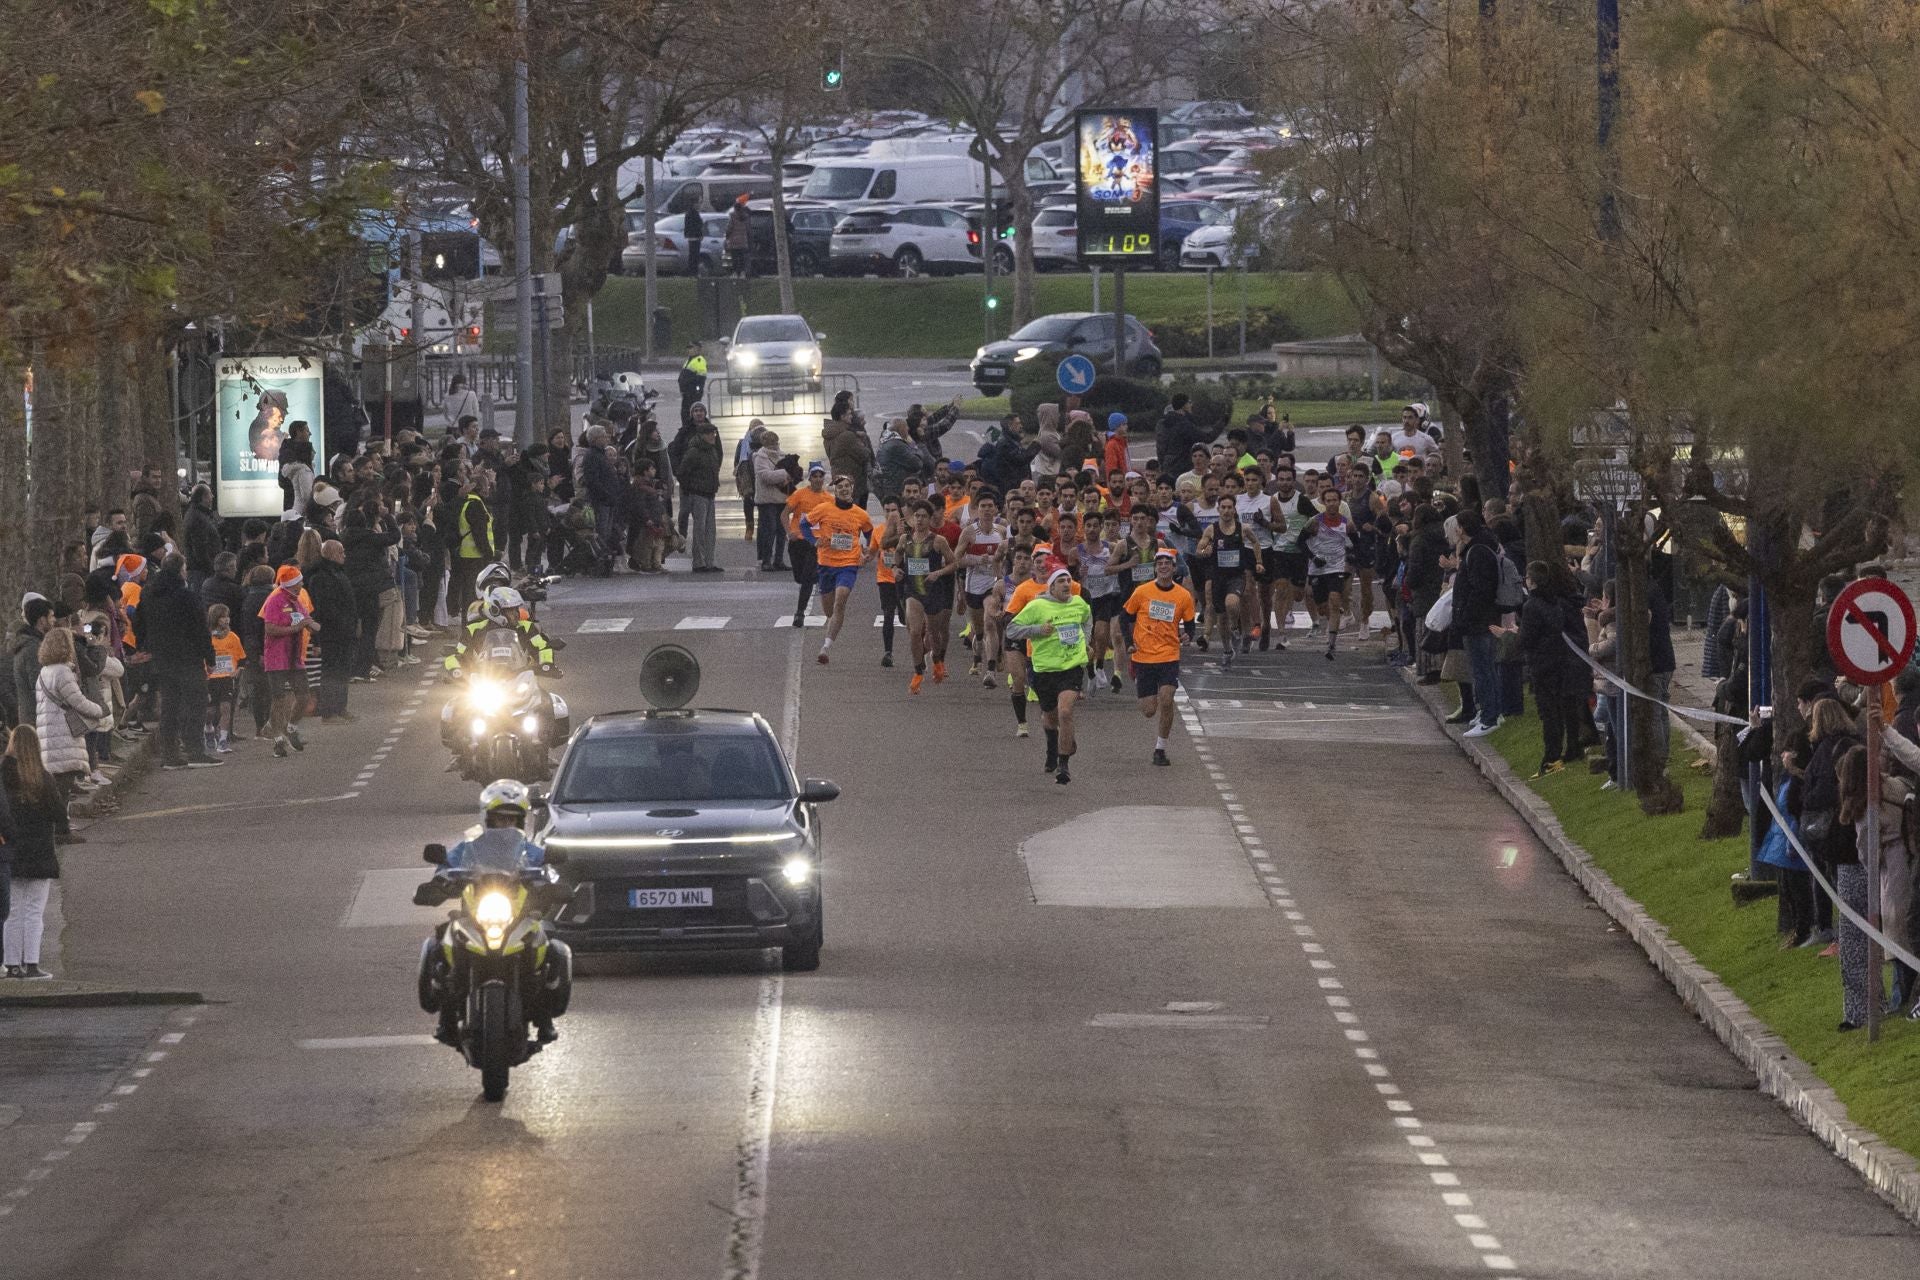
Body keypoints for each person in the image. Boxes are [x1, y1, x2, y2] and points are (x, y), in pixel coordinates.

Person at [424, 779, 562, 1045]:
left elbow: (549, 871)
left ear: (521, 823)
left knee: (553, 949)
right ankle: (446, 1018)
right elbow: (446, 866)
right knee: (439, 944)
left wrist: (551, 884)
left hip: (519, 919)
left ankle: (545, 1020)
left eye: (512, 821)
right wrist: (439, 882)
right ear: (488, 819)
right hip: (474, 919)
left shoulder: (531, 852)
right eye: (500, 820)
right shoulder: (468, 849)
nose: (506, 826)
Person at [1007, 564, 1094, 783]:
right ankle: (1053, 748)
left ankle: (1063, 766)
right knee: (1050, 718)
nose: (1067, 585)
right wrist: (1037, 630)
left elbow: (1087, 618)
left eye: (1068, 581)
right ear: (1052, 587)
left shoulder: (1079, 603)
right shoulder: (1038, 606)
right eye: (1061, 582)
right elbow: (1011, 629)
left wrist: (1086, 641)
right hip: (1044, 670)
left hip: (1072, 667)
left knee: (1065, 712)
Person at [2, 725, 65, 978]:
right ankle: (31, 964)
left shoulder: (3, 776)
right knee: (34, 911)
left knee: (12, 911)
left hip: (12, 851)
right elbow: (60, 814)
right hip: (39, 853)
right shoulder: (43, 778)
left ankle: (11, 964)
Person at [1123, 547, 1195, 767]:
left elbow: (1190, 625)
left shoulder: (1183, 596)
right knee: (1148, 710)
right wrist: (1128, 644)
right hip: (1143, 657)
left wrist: (1187, 635)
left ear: (1174, 568)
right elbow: (1124, 617)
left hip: (1168, 655)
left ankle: (1160, 749)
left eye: (1167, 563)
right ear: (1155, 569)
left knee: (1166, 699)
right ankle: (1135, 675)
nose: (1163, 567)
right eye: (1159, 563)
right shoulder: (1142, 592)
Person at [34, 627, 106, 809]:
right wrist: (99, 710)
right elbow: (78, 701)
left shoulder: (44, 673)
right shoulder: (62, 673)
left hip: (48, 735)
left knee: (57, 785)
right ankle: (62, 828)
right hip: (63, 734)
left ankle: (61, 826)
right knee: (63, 786)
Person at [891, 500, 957, 693]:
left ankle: (937, 660)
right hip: (913, 591)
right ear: (912, 518)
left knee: (933, 634)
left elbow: (954, 564)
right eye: (916, 516)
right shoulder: (905, 539)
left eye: (923, 516)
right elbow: (897, 556)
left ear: (930, 519)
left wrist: (938, 573)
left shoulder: (938, 541)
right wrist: (895, 568)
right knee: (914, 632)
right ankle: (918, 671)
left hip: (934, 592)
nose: (919, 520)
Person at [807, 474, 873, 665]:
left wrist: (867, 551)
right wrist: (814, 540)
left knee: (841, 599)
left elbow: (870, 535)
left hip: (848, 564)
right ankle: (832, 627)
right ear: (835, 490)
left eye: (847, 486)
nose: (844, 489)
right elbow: (805, 525)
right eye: (840, 487)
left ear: (852, 488)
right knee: (829, 610)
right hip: (826, 563)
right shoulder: (824, 509)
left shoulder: (861, 514)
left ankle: (825, 647)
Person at [258, 565, 315, 759]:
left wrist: (316, 627)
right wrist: (296, 628)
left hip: (294, 657)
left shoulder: (297, 600)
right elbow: (270, 629)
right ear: (292, 583)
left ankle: (291, 727)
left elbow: (307, 620)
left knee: (304, 695)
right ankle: (277, 741)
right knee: (279, 699)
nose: (302, 583)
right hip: (277, 657)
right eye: (299, 581)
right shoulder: (275, 600)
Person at [784, 463, 835, 626]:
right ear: (810, 478)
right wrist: (788, 532)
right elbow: (784, 514)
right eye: (815, 476)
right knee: (800, 577)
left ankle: (799, 613)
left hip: (815, 544)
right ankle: (818, 577)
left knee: (806, 578)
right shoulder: (799, 495)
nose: (818, 479)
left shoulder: (829, 499)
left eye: (821, 476)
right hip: (797, 542)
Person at [678, 408, 724, 573]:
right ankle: (699, 562)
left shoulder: (711, 450)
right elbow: (682, 472)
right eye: (711, 434)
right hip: (698, 494)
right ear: (703, 435)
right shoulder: (694, 452)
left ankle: (709, 561)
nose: (713, 437)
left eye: (714, 434)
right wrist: (691, 488)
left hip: (710, 493)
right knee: (699, 530)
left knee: (710, 530)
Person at [752, 430, 794, 571]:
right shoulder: (760, 457)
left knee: (782, 531)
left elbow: (794, 473)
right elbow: (766, 476)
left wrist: (789, 474)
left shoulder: (782, 456)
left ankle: (779, 560)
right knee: (769, 530)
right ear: (765, 444)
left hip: (781, 498)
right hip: (767, 500)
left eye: (775, 443)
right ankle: (766, 560)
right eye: (771, 443)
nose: (774, 446)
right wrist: (785, 473)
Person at [678, 343, 708, 432]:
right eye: (689, 348)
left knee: (691, 413)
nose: (689, 350)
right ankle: (686, 429)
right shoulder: (689, 360)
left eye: (691, 348)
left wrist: (697, 391)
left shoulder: (699, 360)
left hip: (692, 393)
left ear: (698, 349)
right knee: (685, 413)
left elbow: (700, 378)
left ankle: (691, 431)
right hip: (687, 393)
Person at [725, 194, 751, 277]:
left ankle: (735, 272)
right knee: (742, 258)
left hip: (734, 241)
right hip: (743, 241)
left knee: (734, 258)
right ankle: (743, 272)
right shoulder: (745, 217)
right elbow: (748, 229)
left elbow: (729, 228)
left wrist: (727, 235)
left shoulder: (732, 217)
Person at [682, 205, 705, 274]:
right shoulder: (696, 214)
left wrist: (686, 234)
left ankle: (691, 270)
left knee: (691, 255)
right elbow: (700, 224)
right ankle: (694, 271)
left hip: (690, 237)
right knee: (695, 255)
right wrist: (701, 234)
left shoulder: (688, 214)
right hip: (696, 237)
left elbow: (686, 225)